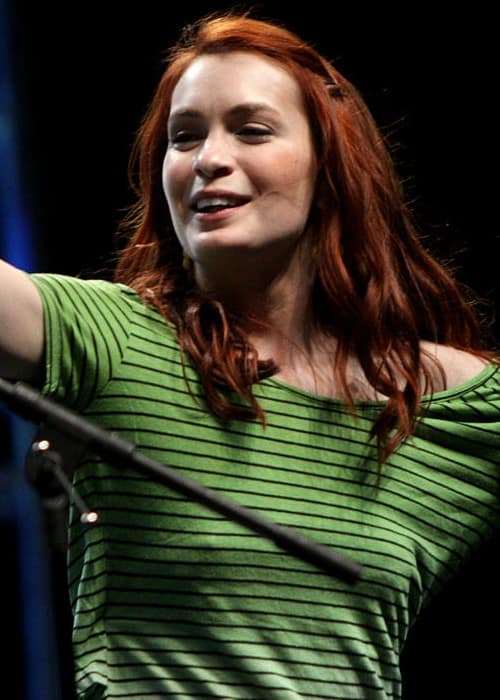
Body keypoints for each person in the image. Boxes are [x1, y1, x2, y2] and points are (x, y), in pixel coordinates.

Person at [1, 10, 499, 700]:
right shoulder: (116, 338)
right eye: (184, 137)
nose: (207, 158)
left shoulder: (459, 410)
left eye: (251, 128)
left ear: (331, 168)